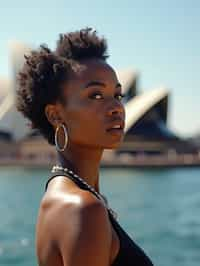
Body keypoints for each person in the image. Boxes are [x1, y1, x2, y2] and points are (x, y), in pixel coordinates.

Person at [16, 28, 154, 266]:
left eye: (118, 95)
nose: (116, 107)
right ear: (56, 115)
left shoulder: (69, 197)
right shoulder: (82, 209)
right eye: (96, 95)